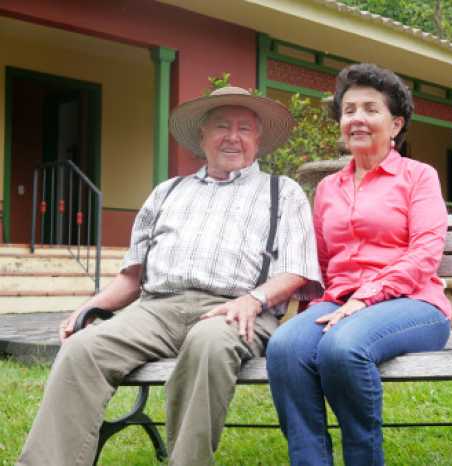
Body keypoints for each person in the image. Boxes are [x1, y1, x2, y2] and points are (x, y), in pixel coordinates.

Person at [18, 86, 322, 466]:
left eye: (245, 128)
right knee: (83, 350)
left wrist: (252, 299)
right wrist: (90, 307)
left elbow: (296, 269)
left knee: (208, 343)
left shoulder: (283, 192)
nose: (233, 136)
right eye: (221, 126)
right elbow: (132, 276)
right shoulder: (167, 192)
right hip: (156, 309)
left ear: (258, 140)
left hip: (235, 309)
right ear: (202, 136)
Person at [266, 63, 452, 466]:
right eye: (349, 110)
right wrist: (304, 311)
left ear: (396, 123)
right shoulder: (328, 188)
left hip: (413, 302)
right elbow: (318, 261)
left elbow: (424, 252)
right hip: (339, 302)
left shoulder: (419, 177)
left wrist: (366, 299)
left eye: (371, 109)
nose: (357, 119)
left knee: (342, 348)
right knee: (284, 347)